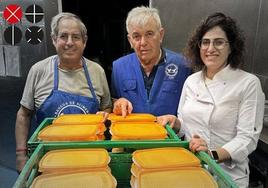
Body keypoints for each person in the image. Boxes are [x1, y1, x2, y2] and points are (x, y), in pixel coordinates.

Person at [157, 12, 265, 187]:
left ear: (231, 47)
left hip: (228, 175)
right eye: (205, 42)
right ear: (198, 46)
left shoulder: (248, 83)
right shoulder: (191, 81)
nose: (210, 48)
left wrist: (211, 154)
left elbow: (247, 139)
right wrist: (175, 122)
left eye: (219, 42)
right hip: (191, 167)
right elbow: (186, 125)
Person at [15, 12, 112, 172]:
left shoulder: (97, 72)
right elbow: (24, 114)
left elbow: (106, 108)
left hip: (89, 159)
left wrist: (105, 114)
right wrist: (20, 155)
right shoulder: (39, 70)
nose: (69, 42)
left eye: (75, 37)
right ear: (54, 39)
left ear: (84, 41)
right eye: (63, 36)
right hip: (48, 159)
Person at [111, 6, 191, 117]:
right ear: (130, 40)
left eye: (149, 34)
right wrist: (118, 104)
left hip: (169, 133)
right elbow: (114, 102)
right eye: (136, 36)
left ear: (161, 35)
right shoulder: (118, 67)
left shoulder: (184, 65)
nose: (143, 42)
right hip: (132, 133)